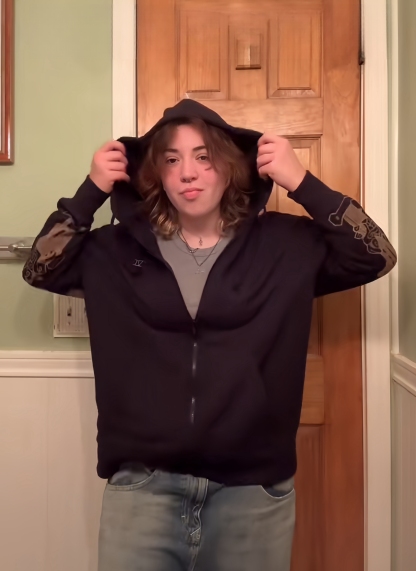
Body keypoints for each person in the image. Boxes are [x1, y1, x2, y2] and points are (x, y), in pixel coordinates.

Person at [23, 100, 397, 571]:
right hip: (143, 490)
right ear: (156, 173)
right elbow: (40, 268)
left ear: (231, 167)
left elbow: (376, 255)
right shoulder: (115, 250)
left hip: (253, 493)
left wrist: (302, 181)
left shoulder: (286, 245)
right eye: (172, 159)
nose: (188, 173)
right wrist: (92, 190)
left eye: (204, 157)